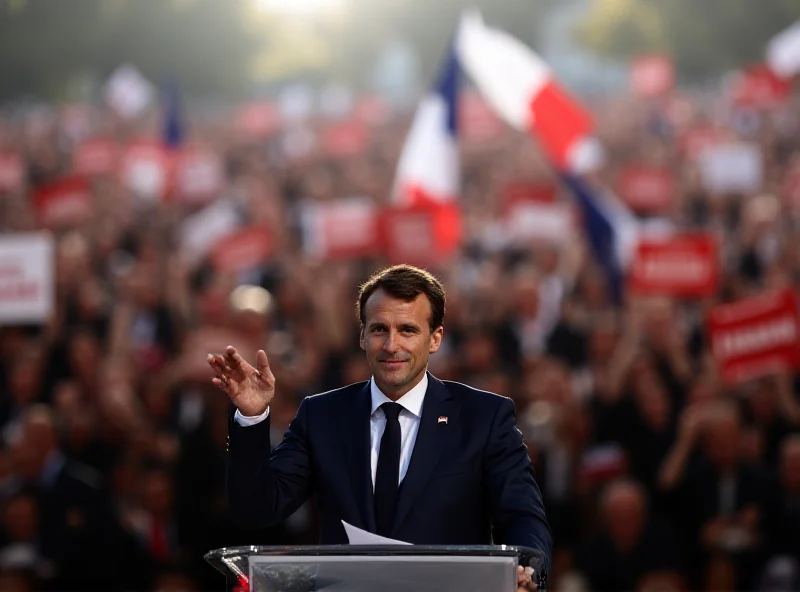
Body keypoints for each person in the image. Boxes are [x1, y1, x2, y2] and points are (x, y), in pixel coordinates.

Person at [209, 264, 552, 590]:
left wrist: (526, 573)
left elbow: (523, 516)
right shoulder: (322, 416)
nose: (391, 345)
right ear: (362, 336)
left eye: (407, 330)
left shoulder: (484, 417)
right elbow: (255, 510)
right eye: (379, 329)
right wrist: (252, 418)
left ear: (435, 338)